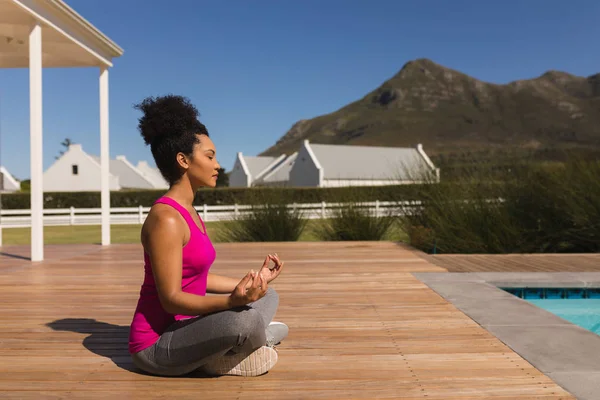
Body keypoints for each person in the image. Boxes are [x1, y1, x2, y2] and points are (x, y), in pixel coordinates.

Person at [128, 94, 288, 377]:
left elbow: (198, 278)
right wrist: (232, 302)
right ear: (183, 160)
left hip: (189, 325)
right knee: (243, 320)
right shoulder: (165, 218)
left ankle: (231, 349)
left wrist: (253, 284)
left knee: (267, 296)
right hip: (158, 344)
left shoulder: (189, 210)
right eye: (210, 156)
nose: (218, 165)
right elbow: (171, 299)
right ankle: (244, 346)